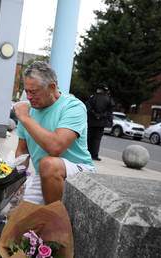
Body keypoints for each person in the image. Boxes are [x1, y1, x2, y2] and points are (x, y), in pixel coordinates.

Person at [13, 61, 96, 205]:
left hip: (79, 172)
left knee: (48, 164)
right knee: (15, 215)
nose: (28, 97)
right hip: (45, 174)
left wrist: (25, 118)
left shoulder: (74, 107)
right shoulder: (29, 110)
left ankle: (55, 220)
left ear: (52, 87)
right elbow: (22, 150)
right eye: (26, 91)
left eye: (33, 91)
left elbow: (55, 147)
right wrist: (16, 182)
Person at [85, 83, 115, 161]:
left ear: (99, 89)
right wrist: (101, 116)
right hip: (101, 123)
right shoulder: (109, 99)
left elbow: (88, 107)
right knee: (97, 139)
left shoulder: (93, 97)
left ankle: (86, 154)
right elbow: (109, 111)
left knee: (88, 138)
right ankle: (95, 155)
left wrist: (95, 115)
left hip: (91, 121)